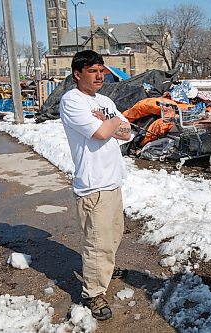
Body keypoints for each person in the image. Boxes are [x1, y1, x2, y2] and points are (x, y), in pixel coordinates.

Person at [59, 50, 131, 321]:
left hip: (112, 179)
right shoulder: (72, 100)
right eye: (93, 71)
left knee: (113, 234)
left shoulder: (104, 100)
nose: (100, 75)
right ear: (78, 74)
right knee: (96, 242)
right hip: (93, 184)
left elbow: (127, 133)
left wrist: (109, 122)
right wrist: (112, 122)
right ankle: (93, 292)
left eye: (102, 70)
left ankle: (105, 269)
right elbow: (103, 132)